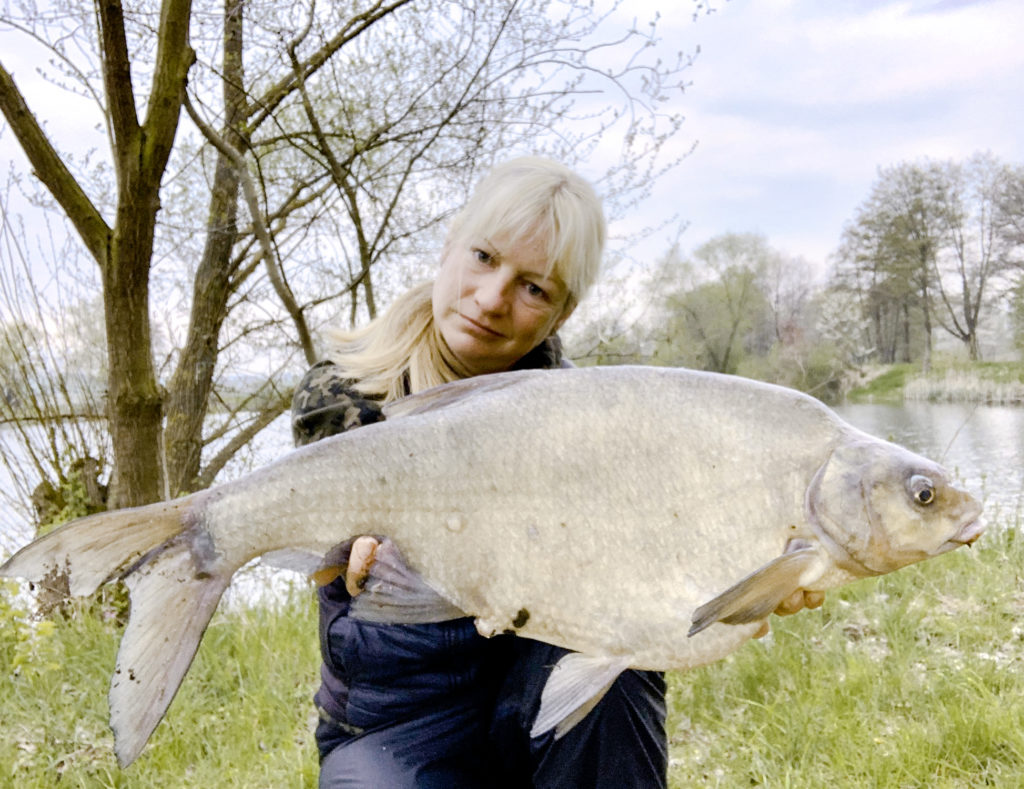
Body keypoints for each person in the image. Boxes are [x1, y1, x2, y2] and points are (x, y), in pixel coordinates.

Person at [291, 157, 823, 788]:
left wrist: (749, 579)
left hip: (545, 699)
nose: (492, 300)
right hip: (397, 719)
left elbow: (649, 571)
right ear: (449, 245)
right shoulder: (343, 395)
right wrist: (350, 556)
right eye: (484, 257)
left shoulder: (593, 425)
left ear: (562, 314)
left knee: (620, 679)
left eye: (533, 288)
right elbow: (327, 567)